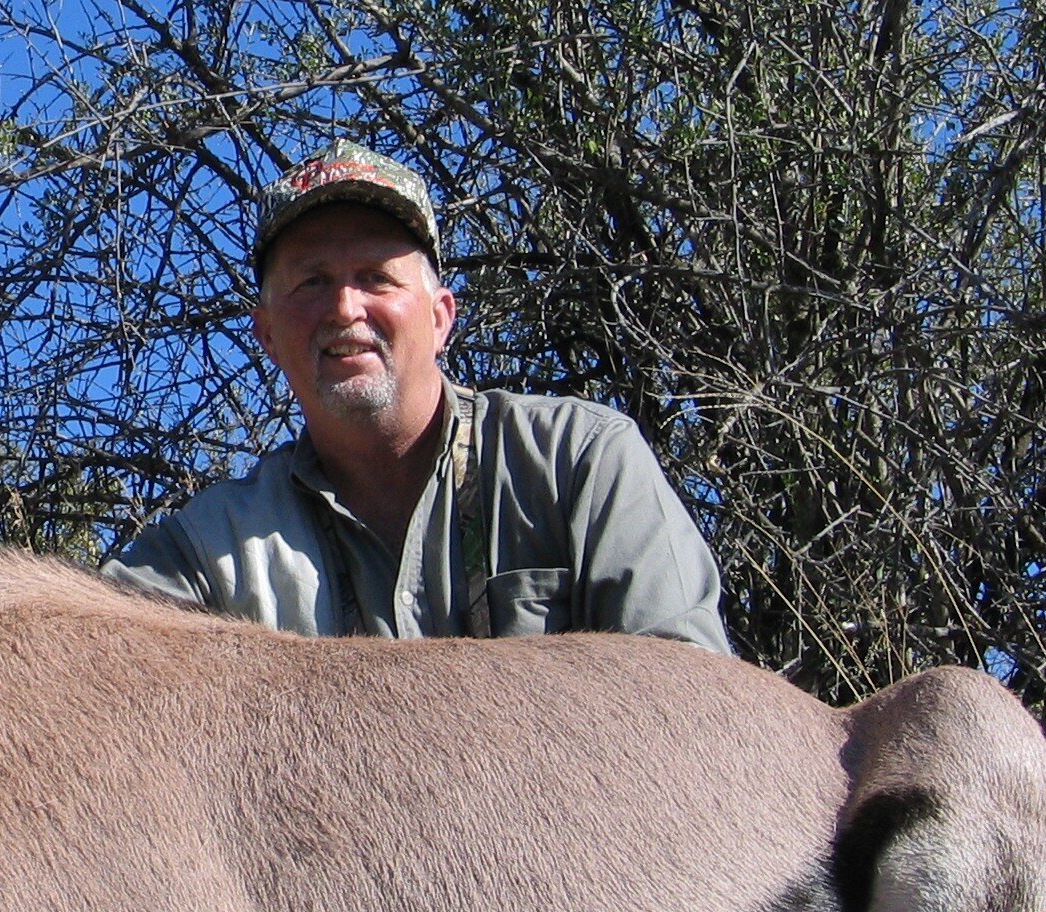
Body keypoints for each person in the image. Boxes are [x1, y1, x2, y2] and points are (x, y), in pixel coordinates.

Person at [103, 142, 729, 649]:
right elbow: (88, 660)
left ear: (440, 318)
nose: (345, 308)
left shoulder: (580, 460)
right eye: (311, 282)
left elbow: (688, 704)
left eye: (376, 277)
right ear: (266, 333)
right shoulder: (208, 550)